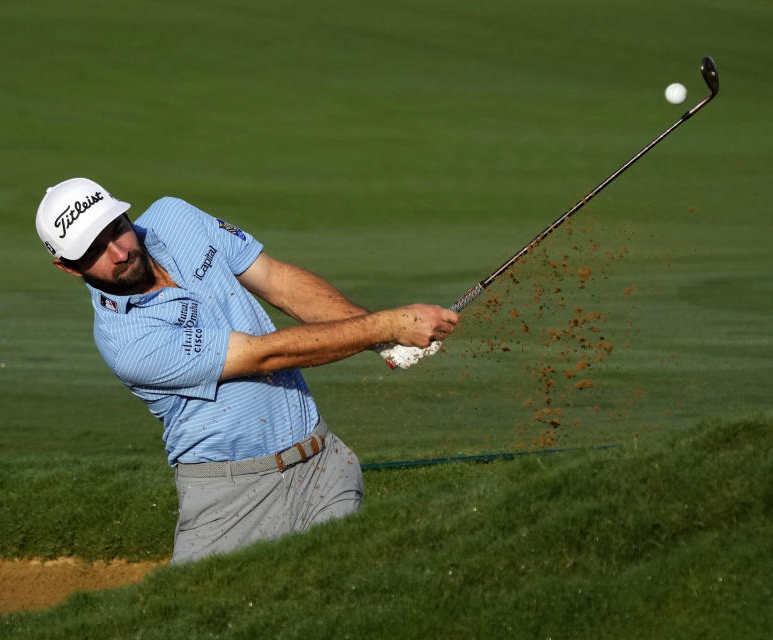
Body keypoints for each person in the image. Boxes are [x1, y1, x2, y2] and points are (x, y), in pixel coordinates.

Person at [35, 177, 459, 563]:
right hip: (230, 497)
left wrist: (384, 341)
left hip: (322, 465)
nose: (120, 252)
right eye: (95, 251)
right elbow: (263, 356)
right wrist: (383, 325)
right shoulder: (126, 341)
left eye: (117, 229)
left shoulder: (174, 217)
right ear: (69, 267)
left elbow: (279, 282)